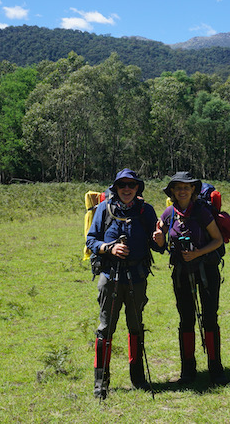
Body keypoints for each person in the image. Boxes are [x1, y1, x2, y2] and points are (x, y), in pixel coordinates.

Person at [86, 168, 161, 399]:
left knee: (136, 326)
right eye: (122, 185)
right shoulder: (104, 209)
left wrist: (159, 239)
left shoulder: (146, 210)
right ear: (115, 188)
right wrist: (110, 248)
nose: (126, 189)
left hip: (137, 278)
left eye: (131, 185)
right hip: (110, 277)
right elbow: (90, 240)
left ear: (137, 187)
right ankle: (101, 382)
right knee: (105, 328)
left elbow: (157, 244)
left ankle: (137, 377)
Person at [152, 171, 229, 386]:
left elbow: (217, 240)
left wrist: (198, 253)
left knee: (210, 317)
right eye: (178, 188)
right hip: (181, 274)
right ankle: (188, 370)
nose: (182, 191)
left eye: (186, 187)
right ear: (173, 192)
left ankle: (216, 368)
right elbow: (160, 244)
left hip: (207, 271)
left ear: (193, 189)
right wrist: (158, 239)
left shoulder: (202, 212)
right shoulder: (168, 213)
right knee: (186, 319)